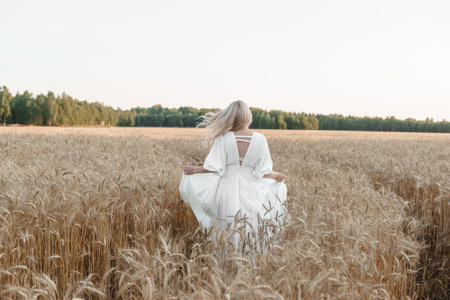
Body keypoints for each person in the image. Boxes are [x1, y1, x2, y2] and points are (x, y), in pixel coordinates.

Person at [179, 100, 287, 238]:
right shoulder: (260, 139)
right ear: (248, 116)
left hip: (226, 188)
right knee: (250, 228)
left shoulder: (224, 138)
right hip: (252, 190)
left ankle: (226, 258)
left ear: (231, 117)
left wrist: (195, 170)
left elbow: (214, 167)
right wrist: (276, 175)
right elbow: (263, 172)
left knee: (226, 229)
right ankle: (249, 258)